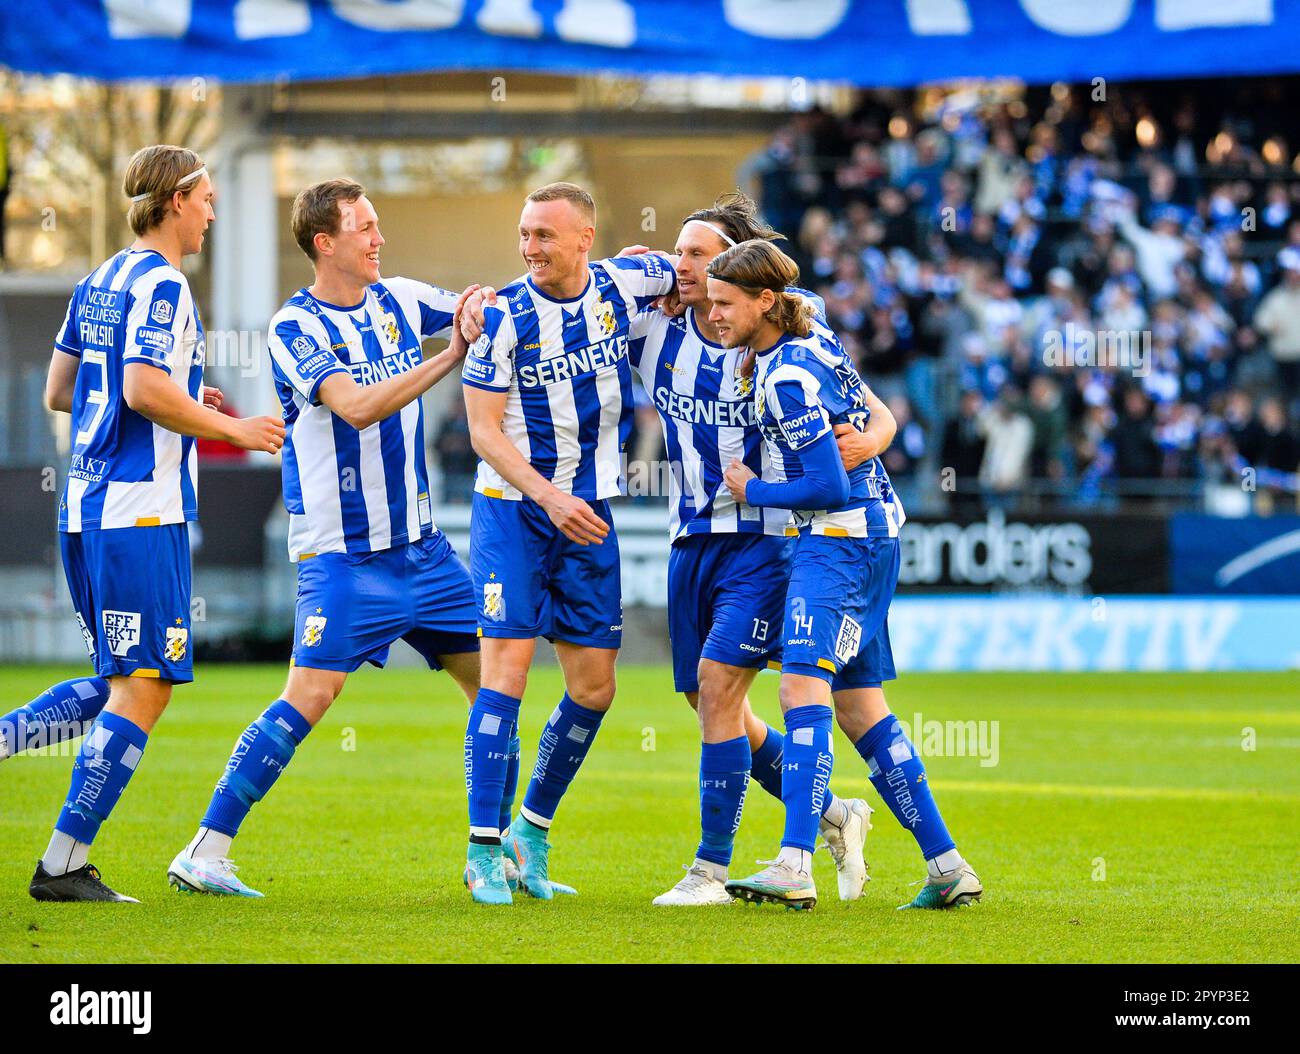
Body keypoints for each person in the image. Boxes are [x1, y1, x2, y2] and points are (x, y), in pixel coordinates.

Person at [166, 178, 480, 897]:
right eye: (364, 227)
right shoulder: (293, 328)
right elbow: (358, 408)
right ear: (324, 243)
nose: (378, 238)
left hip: (425, 554)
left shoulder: (399, 297)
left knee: (496, 687)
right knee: (309, 697)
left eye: (377, 224)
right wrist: (447, 359)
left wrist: (569, 285)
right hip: (343, 559)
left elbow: (476, 308)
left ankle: (493, 851)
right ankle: (205, 851)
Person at [15, 145, 285, 902]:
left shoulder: (99, 278)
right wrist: (227, 429)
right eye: (205, 200)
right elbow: (137, 389)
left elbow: (63, 392)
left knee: (117, 684)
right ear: (176, 200)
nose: (211, 213)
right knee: (145, 688)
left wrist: (186, 396)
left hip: (85, 507)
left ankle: (8, 745)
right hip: (140, 511)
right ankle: (62, 865)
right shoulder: (165, 284)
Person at [619, 192, 894, 906]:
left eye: (698, 256)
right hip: (692, 537)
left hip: (766, 540)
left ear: (742, 272)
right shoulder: (656, 328)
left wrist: (880, 434)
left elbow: (862, 403)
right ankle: (832, 813)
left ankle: (712, 869)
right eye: (676, 255)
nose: (684, 270)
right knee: (705, 697)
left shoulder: (789, 328)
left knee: (720, 686)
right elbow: (585, 291)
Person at [716, 239, 982, 910]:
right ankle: (948, 867)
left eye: (725, 304)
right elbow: (868, 409)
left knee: (799, 694)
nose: (715, 316)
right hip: (872, 536)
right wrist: (881, 429)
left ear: (764, 302)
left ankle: (795, 861)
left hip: (837, 543)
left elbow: (826, 484)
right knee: (862, 709)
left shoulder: (784, 378)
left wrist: (754, 490)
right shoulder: (811, 319)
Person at [457, 182, 676, 905]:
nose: (530, 249)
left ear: (586, 239)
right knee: (506, 678)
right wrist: (549, 495)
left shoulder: (625, 282)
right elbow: (482, 431)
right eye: (524, 235)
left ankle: (532, 830)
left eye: (545, 236)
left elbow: (699, 270)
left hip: (588, 514)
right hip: (514, 515)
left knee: (595, 686)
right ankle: (482, 848)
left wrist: (681, 281)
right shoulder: (504, 318)